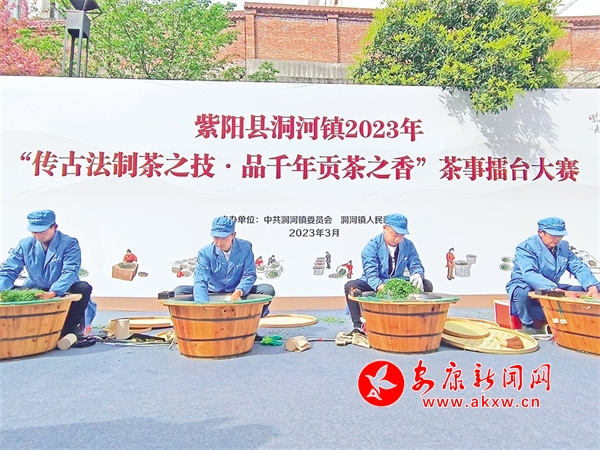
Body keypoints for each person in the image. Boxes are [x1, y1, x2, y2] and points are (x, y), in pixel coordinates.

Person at [0, 210, 95, 344]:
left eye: (42, 231)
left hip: (62, 289)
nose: (37, 235)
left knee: (83, 288)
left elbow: (70, 272)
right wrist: (2, 290)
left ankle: (70, 328)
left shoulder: (69, 243)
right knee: (9, 289)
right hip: (35, 289)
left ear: (54, 227)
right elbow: (8, 270)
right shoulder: (24, 244)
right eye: (34, 232)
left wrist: (53, 292)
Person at [344, 213, 433, 336]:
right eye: (394, 234)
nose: (398, 239)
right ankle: (358, 326)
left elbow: (415, 264)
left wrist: (417, 274)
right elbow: (371, 275)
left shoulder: (408, 245)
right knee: (350, 286)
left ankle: (416, 321)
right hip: (375, 282)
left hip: (397, 280)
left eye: (402, 235)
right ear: (384, 228)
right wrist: (384, 288)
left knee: (426, 285)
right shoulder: (371, 247)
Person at [506, 217, 600, 331]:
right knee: (522, 293)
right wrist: (556, 290)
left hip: (553, 285)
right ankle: (528, 326)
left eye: (560, 236)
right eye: (553, 235)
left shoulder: (563, 247)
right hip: (525, 284)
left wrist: (592, 286)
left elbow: (578, 267)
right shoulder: (526, 247)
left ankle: (583, 323)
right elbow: (530, 274)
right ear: (541, 233)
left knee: (591, 289)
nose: (557, 239)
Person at [173, 217, 275, 320]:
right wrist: (204, 307)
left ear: (233, 235)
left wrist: (240, 290)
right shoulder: (205, 253)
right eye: (216, 237)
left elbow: (249, 274)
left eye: (223, 238)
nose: (219, 242)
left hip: (237, 291)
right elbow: (200, 281)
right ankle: (198, 321)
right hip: (211, 291)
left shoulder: (245, 248)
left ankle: (249, 321)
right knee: (179, 292)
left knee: (267, 290)